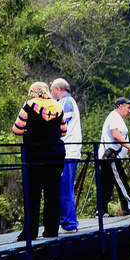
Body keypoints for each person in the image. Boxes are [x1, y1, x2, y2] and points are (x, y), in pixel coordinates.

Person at [11, 81, 67, 240]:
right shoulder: (57, 106)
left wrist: (30, 129)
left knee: (33, 194)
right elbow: (63, 131)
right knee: (53, 192)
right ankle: (51, 230)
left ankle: (30, 232)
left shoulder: (29, 106)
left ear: (33, 93)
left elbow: (17, 129)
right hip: (55, 154)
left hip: (34, 154)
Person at [50, 77, 81, 231]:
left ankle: (70, 223)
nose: (51, 93)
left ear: (58, 89)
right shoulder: (65, 102)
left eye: (52, 90)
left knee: (65, 187)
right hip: (68, 151)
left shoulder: (66, 102)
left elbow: (62, 125)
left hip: (68, 151)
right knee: (65, 187)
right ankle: (68, 220)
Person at [99, 97, 130, 216]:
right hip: (110, 157)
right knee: (121, 180)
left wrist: (124, 152)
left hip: (110, 156)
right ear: (120, 107)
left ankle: (101, 211)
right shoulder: (115, 117)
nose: (129, 111)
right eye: (128, 107)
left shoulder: (116, 117)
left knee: (107, 184)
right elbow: (116, 135)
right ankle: (129, 207)